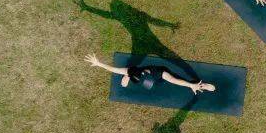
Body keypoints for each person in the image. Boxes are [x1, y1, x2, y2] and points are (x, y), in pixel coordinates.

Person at [84, 53, 215, 95]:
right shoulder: (133, 72)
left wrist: (190, 85)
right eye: (143, 73)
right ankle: (126, 78)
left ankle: (202, 85)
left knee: (177, 78)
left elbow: (175, 80)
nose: (144, 71)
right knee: (124, 84)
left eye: (144, 72)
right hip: (154, 81)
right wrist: (98, 64)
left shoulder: (159, 73)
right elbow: (114, 69)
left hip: (162, 73)